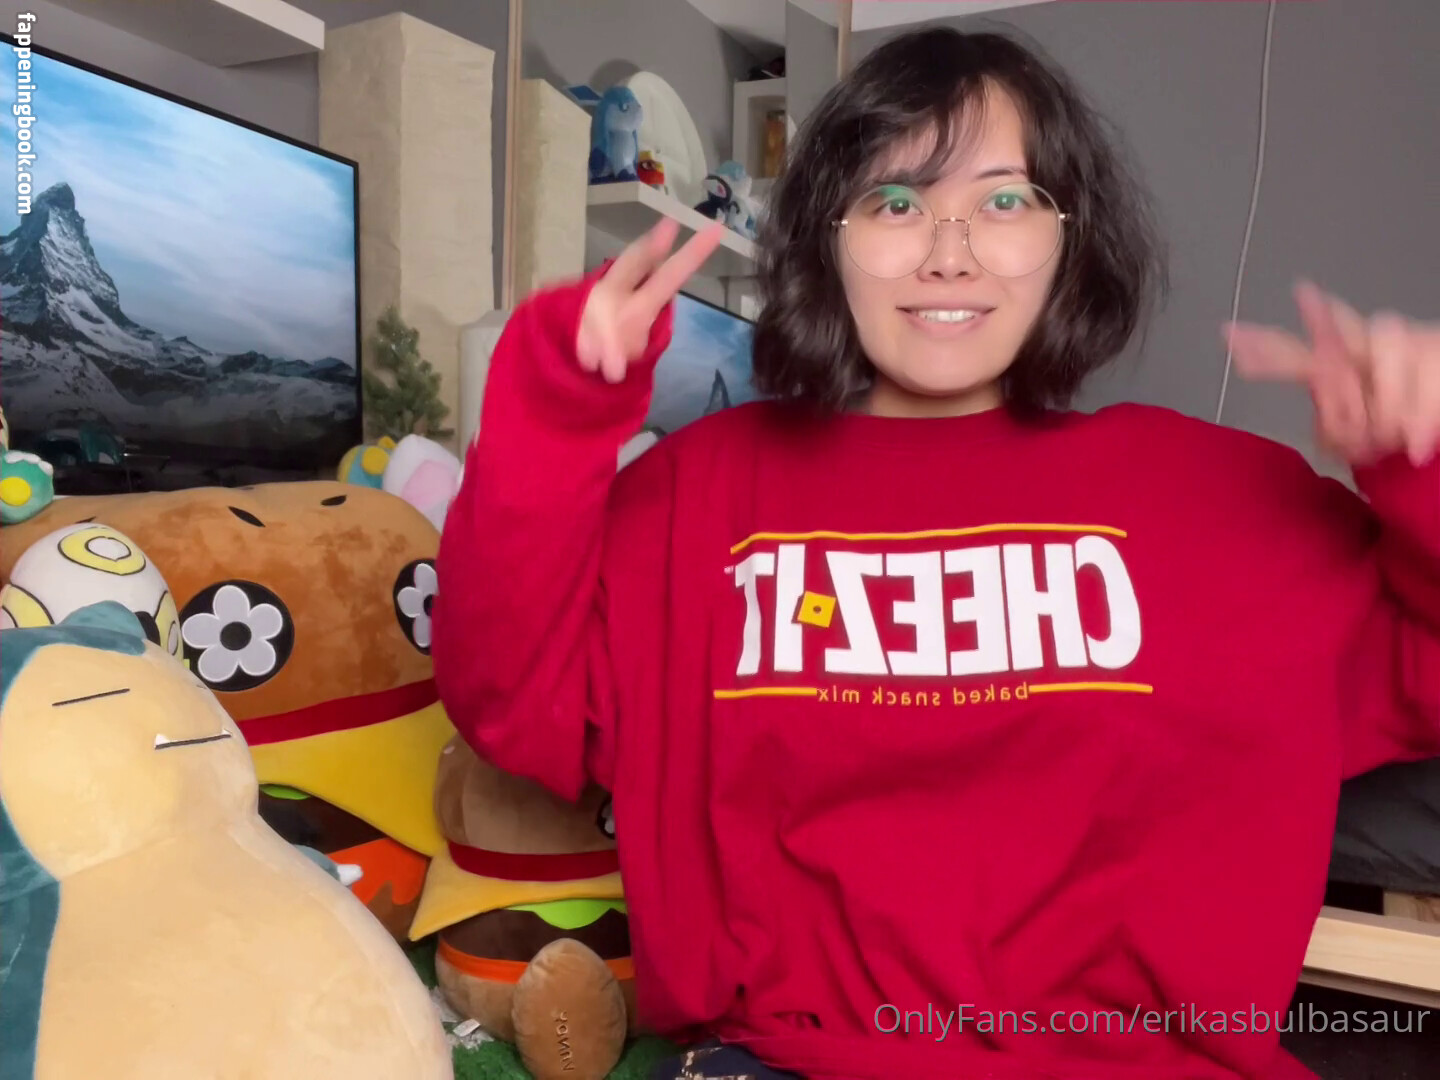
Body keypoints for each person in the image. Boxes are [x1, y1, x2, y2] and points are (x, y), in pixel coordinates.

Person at [432, 25, 1440, 1080]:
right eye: (896, 202)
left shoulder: (1221, 500)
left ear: (1068, 235)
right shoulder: (702, 494)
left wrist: (1419, 471)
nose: (948, 252)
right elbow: (509, 706)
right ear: (830, 238)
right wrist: (557, 415)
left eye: (1004, 201)